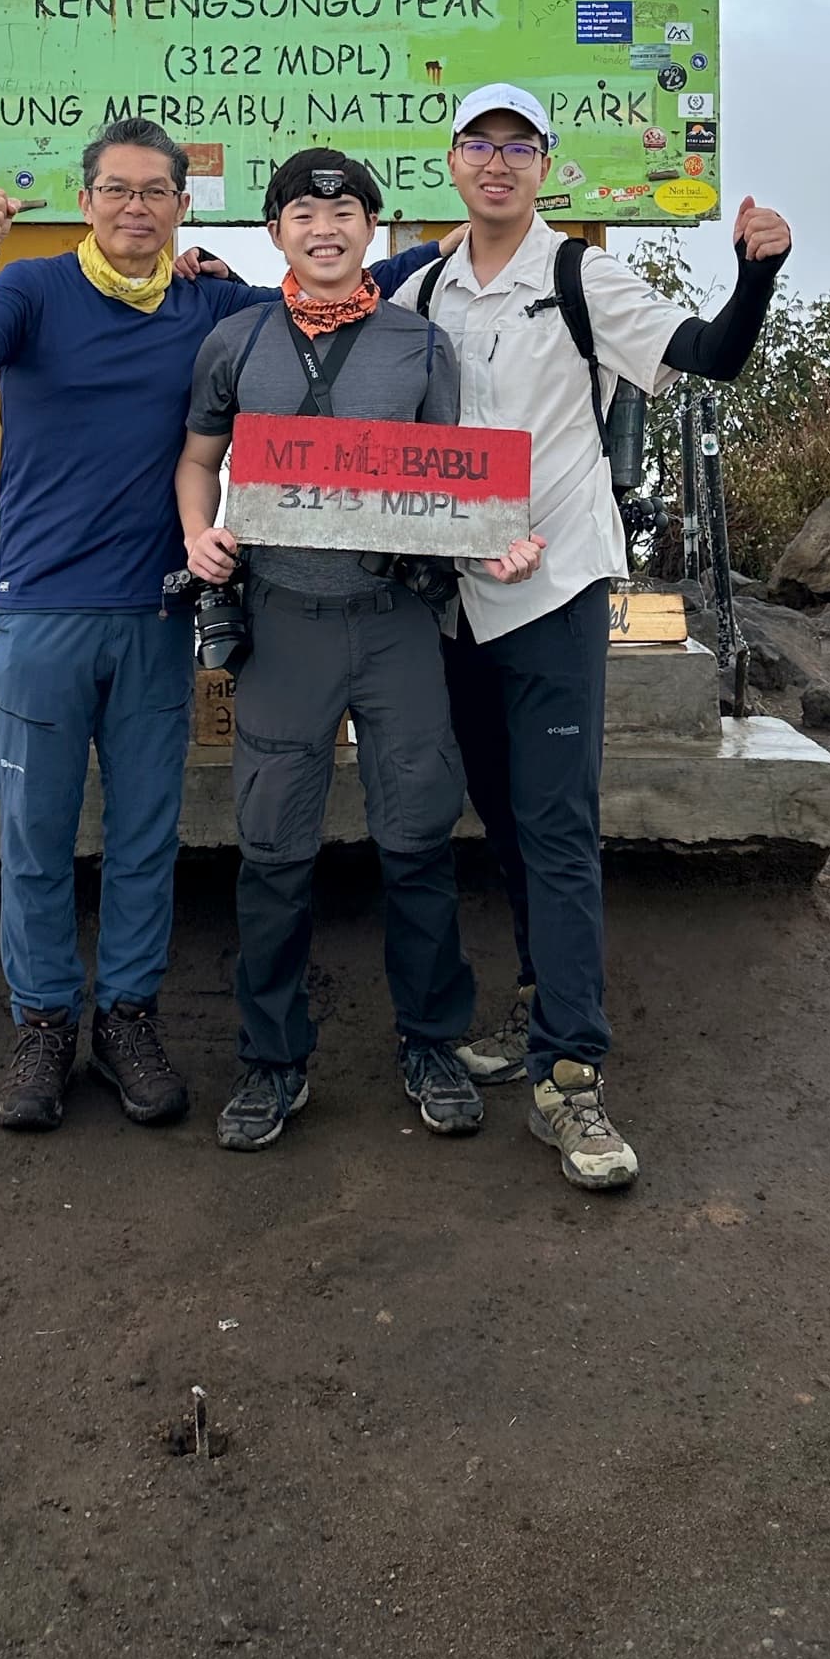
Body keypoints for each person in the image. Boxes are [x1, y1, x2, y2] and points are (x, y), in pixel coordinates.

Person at [0, 118, 447, 1137]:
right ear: (84, 201)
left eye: (155, 192)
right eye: (116, 190)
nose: (135, 208)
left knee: (141, 838)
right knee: (35, 836)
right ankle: (41, 1022)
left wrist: (463, 240)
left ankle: (127, 1017)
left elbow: (330, 281)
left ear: (183, 205)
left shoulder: (212, 302)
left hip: (160, 609)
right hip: (40, 608)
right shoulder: (31, 287)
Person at [403, 85, 792, 1193]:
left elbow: (712, 352)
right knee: (507, 821)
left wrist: (756, 269)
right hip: (457, 599)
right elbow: (315, 296)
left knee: (559, 826)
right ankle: (536, 1010)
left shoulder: (581, 275)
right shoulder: (425, 282)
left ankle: (573, 1075)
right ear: (454, 160)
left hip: (558, 588)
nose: (496, 162)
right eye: (479, 143)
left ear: (545, 165)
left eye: (517, 147)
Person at [175, 149, 544, 1155]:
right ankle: (272, 1058)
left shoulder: (420, 345)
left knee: (420, 840)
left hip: (393, 621)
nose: (326, 225)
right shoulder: (234, 338)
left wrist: (495, 534)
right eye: (305, 209)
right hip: (283, 620)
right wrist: (197, 532)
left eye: (346, 210)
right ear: (277, 229)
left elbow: (455, 481)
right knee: (273, 849)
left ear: (374, 230)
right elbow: (199, 458)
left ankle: (429, 1041)